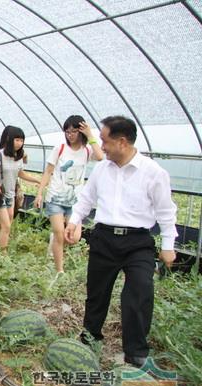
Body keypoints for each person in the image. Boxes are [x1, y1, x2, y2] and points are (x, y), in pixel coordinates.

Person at [64, 116, 177, 368]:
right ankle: (90, 337)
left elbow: (166, 211)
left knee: (139, 293)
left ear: (122, 142)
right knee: (97, 293)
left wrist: (168, 246)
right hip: (103, 237)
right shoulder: (102, 169)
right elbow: (86, 198)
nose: (101, 146)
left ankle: (135, 352)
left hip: (138, 242)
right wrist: (74, 220)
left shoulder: (153, 173)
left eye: (104, 140)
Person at [34, 115, 104, 274]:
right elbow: (48, 172)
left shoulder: (86, 151)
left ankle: (55, 242)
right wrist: (39, 193)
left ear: (81, 132)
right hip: (55, 198)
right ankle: (59, 271)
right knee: (59, 233)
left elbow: (100, 157)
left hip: (75, 201)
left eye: (74, 131)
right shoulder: (60, 148)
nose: (70, 135)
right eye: (67, 131)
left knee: (74, 238)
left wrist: (91, 135)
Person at [0, 126, 41, 251]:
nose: (19, 143)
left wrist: (37, 180)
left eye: (21, 140)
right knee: (6, 225)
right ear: (8, 139)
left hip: (10, 194)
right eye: (16, 140)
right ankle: (3, 254)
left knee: (3, 222)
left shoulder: (18, 156)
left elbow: (20, 173)